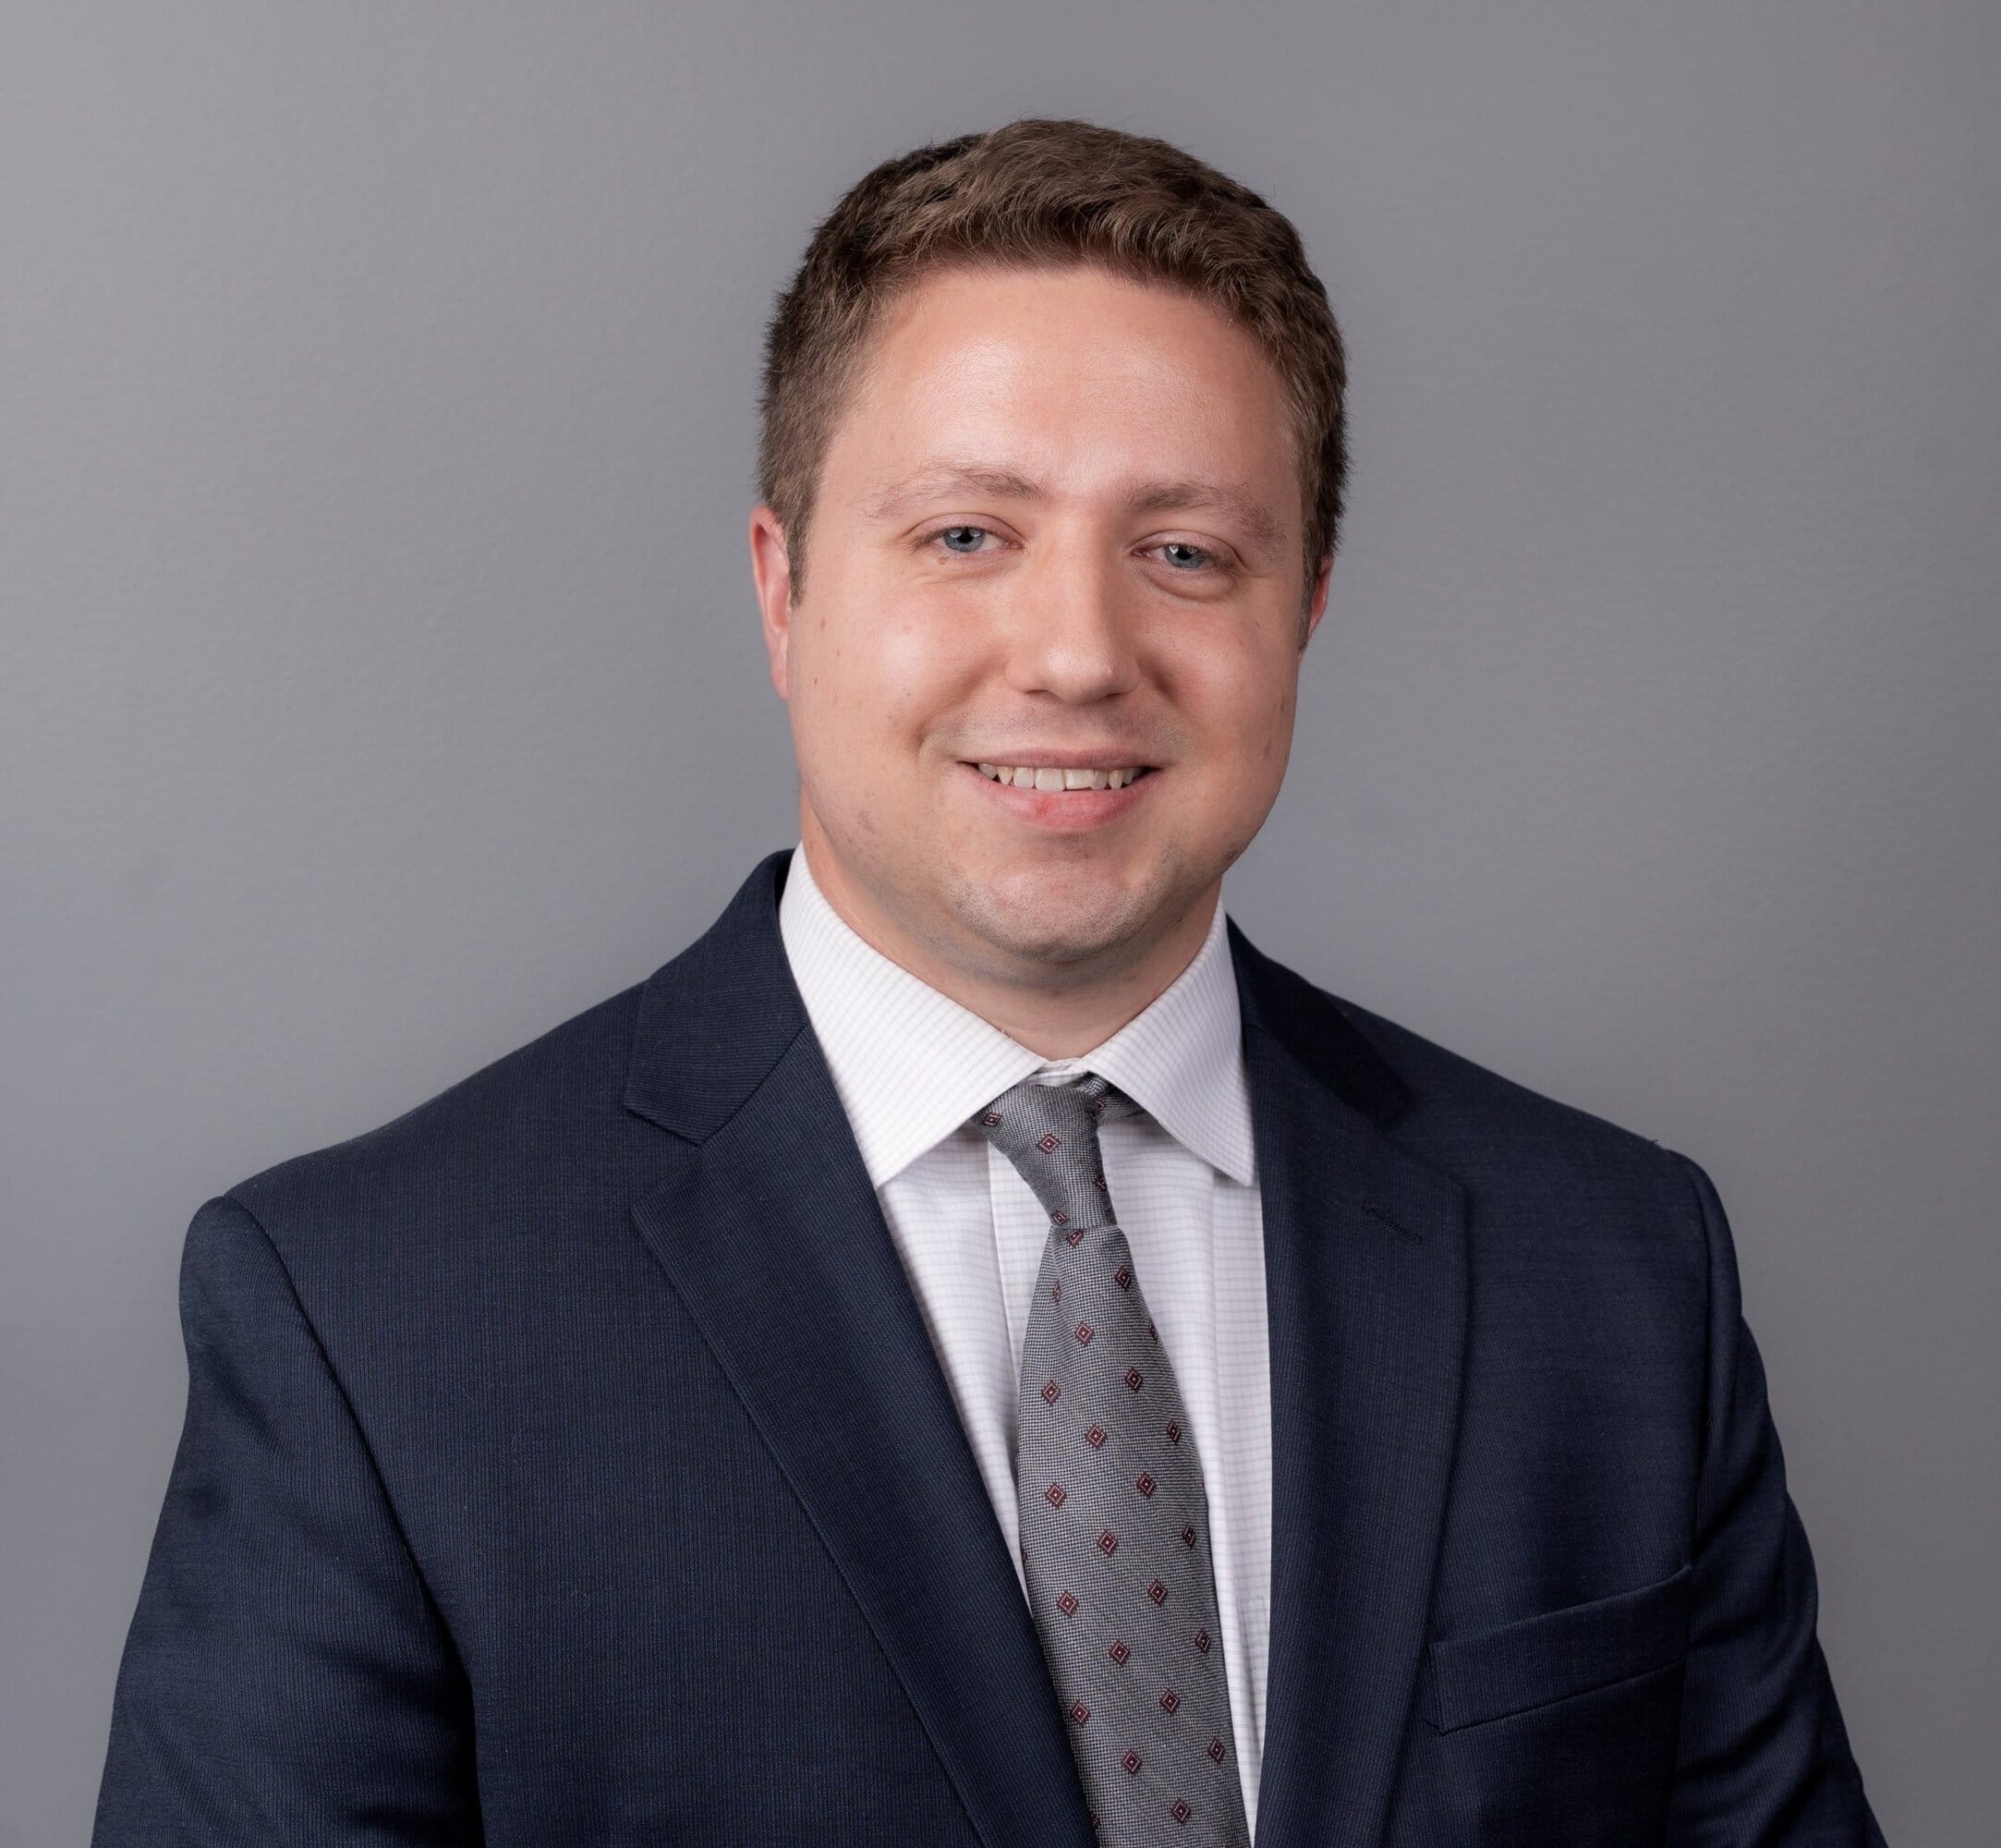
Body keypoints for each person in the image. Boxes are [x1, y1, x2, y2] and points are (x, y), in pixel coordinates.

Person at [92, 116, 1882, 1846]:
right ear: (784, 591)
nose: (1081, 653)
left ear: (1308, 608)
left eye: (1187, 552)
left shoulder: (1615, 1266)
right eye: (966, 535)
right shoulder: (372, 1313)